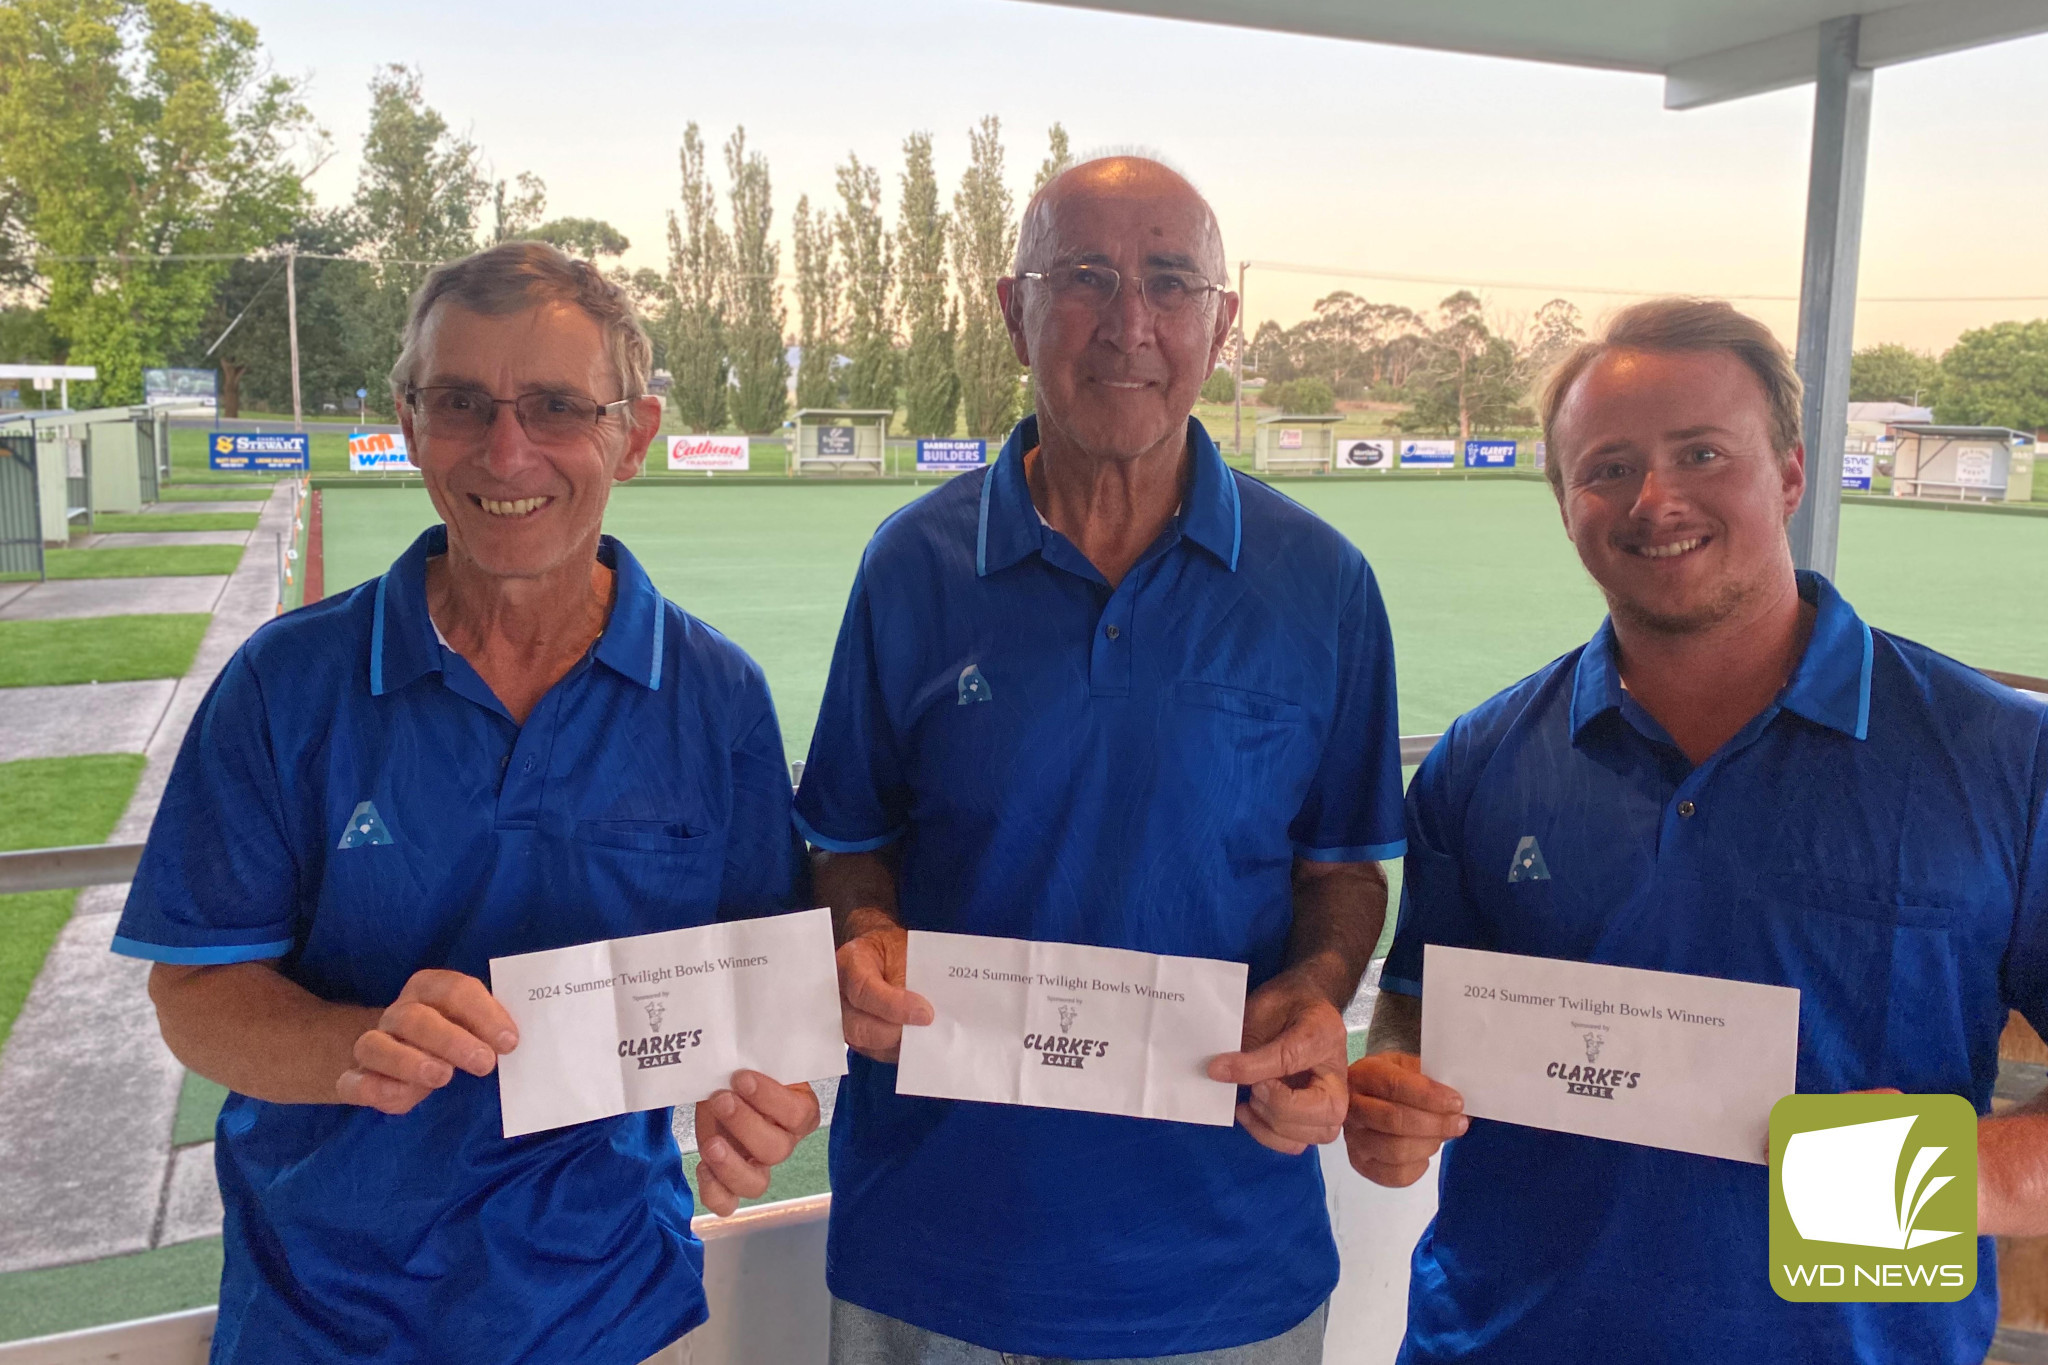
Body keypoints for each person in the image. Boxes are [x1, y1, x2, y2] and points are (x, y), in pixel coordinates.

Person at [113, 242, 820, 1364]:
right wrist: (357, 1044)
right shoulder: (285, 683)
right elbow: (195, 994)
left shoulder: (715, 694)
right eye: (461, 403)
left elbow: (762, 993)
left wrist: (762, 1102)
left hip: (606, 1309)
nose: (507, 450)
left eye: (554, 406)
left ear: (631, 435)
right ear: (407, 419)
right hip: (318, 1316)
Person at [1345, 297, 2048, 1363]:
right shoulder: (1481, 759)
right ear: (1565, 502)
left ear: (1790, 473)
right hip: (1500, 1339)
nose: (1654, 498)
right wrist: (1389, 1095)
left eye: (1701, 453)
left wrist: (1939, 1179)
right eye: (1606, 466)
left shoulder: (2002, 757)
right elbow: (1415, 1010)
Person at [794, 156, 1407, 1364]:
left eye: (1170, 282)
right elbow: (849, 842)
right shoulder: (908, 565)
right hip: (934, 1251)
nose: (1129, 323)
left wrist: (1318, 988)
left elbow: (1341, 867)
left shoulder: (1321, 584)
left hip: (1222, 1262)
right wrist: (862, 933)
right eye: (1084, 277)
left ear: (1220, 323)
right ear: (1010, 303)